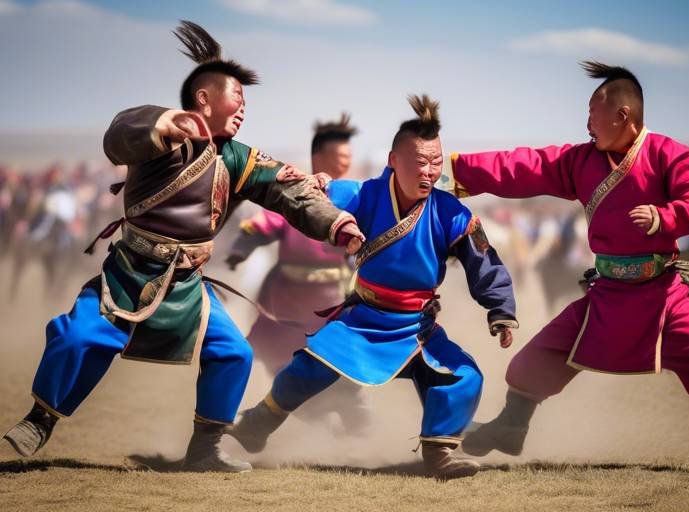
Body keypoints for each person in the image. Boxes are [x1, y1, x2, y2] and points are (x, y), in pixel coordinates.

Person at [2, 21, 363, 473]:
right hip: (130, 274)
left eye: (246, 101)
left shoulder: (238, 157)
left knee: (234, 353)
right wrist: (166, 124)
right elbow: (121, 131)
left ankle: (205, 450)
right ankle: (40, 419)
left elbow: (290, 192)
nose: (244, 108)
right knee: (77, 337)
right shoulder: (157, 136)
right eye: (237, 97)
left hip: (189, 283)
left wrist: (338, 224)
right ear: (204, 98)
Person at [454, 62, 689, 470]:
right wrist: (453, 170)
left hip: (663, 296)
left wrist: (665, 217)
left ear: (622, 115)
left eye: (592, 113)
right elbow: (524, 165)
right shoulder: (581, 161)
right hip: (606, 296)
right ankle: (511, 427)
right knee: (534, 358)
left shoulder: (670, 155)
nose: (587, 124)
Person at [229, 95, 519, 479]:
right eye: (420, 162)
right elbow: (319, 199)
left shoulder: (452, 213)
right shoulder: (365, 194)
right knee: (310, 366)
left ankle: (438, 454)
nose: (430, 171)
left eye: (436, 161)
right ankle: (256, 425)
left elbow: (482, 260)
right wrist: (316, 187)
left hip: (417, 328)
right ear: (394, 160)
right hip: (362, 319)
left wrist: (501, 309)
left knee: (463, 377)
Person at [227, 114, 371, 435]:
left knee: (341, 361)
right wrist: (242, 247)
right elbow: (264, 224)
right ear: (318, 157)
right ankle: (309, 415)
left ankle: (354, 416)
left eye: (348, 157)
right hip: (288, 300)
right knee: (284, 362)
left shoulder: (359, 197)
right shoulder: (297, 191)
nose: (345, 162)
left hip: (336, 299)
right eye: (338, 156)